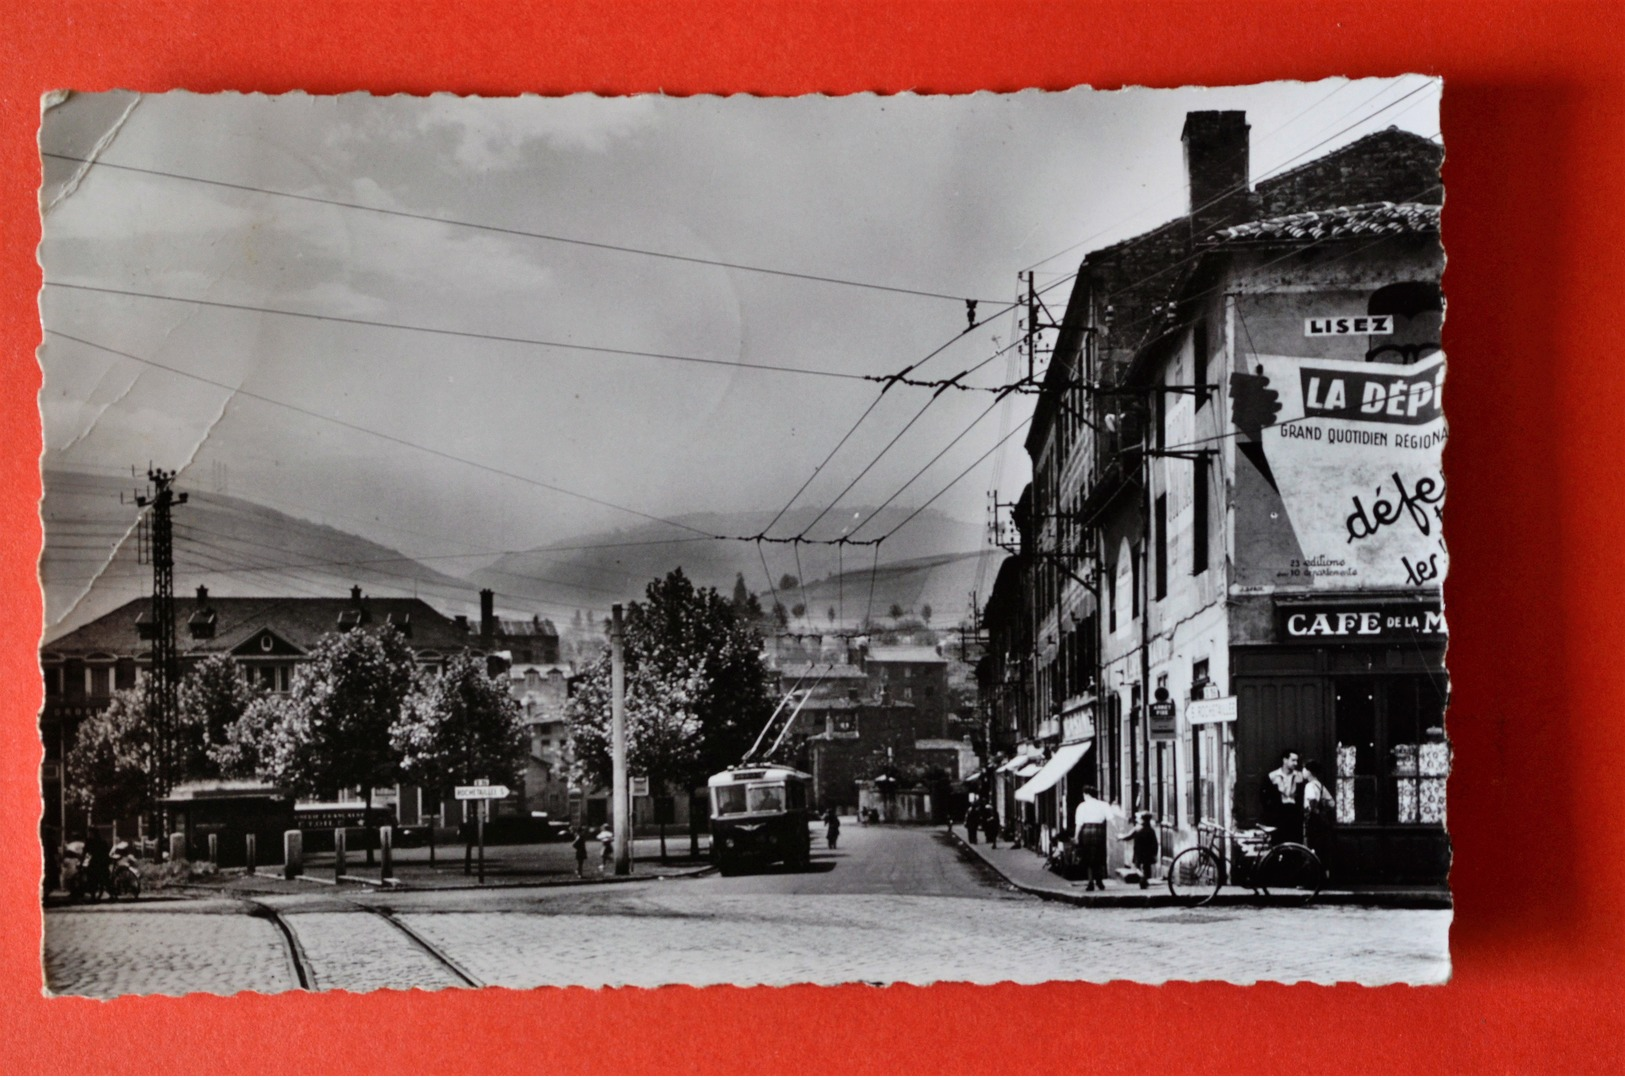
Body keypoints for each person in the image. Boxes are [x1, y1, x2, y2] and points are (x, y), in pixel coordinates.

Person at [1260, 748, 1305, 844]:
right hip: (1279, 816)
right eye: (1293, 760)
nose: (1296, 763)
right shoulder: (1272, 776)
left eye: (1297, 760)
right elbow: (1264, 798)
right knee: (1279, 844)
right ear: (1285, 760)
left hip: (1295, 816)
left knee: (1295, 844)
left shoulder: (1300, 777)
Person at [1073, 787, 1112, 891]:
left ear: (1087, 794)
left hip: (1086, 831)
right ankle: (1099, 880)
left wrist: (1076, 836)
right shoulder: (1104, 804)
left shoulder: (1082, 806)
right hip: (1100, 831)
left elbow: (1079, 824)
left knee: (1088, 856)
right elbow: (1111, 819)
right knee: (1098, 856)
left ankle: (1091, 882)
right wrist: (1118, 831)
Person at [1301, 759, 1336, 864]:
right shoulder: (1320, 785)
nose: (1302, 771)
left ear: (1309, 771)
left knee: (1311, 848)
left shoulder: (1310, 785)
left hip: (1312, 821)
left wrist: (1313, 810)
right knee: (1320, 849)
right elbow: (1332, 803)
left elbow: (1312, 801)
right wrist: (1321, 809)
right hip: (1321, 822)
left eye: (1304, 769)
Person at [1119, 811, 1159, 889]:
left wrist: (1120, 837)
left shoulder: (1137, 829)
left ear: (1141, 819)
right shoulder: (1151, 830)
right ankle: (1144, 879)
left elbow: (1128, 836)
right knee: (1146, 867)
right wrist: (1155, 853)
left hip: (1139, 852)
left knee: (1137, 867)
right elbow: (1155, 843)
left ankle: (1143, 878)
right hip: (1149, 852)